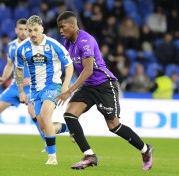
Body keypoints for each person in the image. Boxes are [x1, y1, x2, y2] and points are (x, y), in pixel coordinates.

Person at [55, 11, 154, 170]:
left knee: (113, 125)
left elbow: (88, 71)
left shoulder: (85, 41)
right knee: (70, 116)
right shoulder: (67, 43)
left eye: (62, 27)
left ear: (73, 25)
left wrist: (69, 91)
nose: (60, 31)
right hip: (88, 86)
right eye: (59, 28)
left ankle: (146, 149)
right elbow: (69, 66)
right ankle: (89, 156)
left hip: (104, 85)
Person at [0, 19, 70, 152]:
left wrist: (32, 80)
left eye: (25, 29)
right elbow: (10, 65)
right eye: (20, 29)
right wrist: (4, 77)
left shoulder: (34, 46)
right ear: (16, 30)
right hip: (15, 86)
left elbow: (43, 66)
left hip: (32, 87)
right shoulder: (11, 46)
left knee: (34, 113)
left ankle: (48, 141)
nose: (23, 32)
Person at [15, 15, 74, 165]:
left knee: (46, 115)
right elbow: (19, 71)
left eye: (35, 30)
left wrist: (66, 85)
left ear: (42, 28)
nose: (33, 33)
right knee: (44, 127)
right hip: (35, 91)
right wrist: (21, 91)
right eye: (30, 30)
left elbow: (69, 65)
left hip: (53, 86)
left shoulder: (53, 45)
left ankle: (52, 157)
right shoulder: (22, 48)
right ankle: (71, 128)